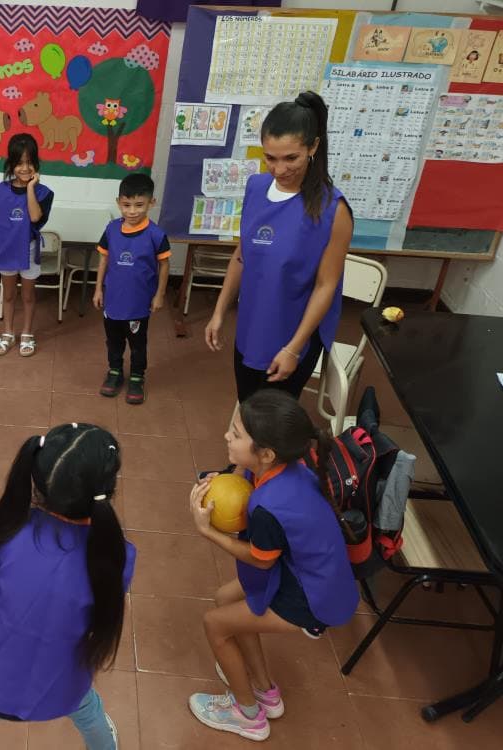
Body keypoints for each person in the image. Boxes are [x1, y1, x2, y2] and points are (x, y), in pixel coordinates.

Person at [0, 423, 134, 750]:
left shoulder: (7, 533)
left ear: (37, 479)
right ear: (107, 491)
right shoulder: (118, 555)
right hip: (66, 682)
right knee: (90, 711)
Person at [187, 390, 358, 741]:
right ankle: (266, 691)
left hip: (309, 597)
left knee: (215, 624)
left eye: (236, 434)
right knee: (224, 598)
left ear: (265, 453)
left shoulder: (266, 508)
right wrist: (223, 478)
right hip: (314, 575)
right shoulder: (287, 467)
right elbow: (244, 479)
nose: (226, 437)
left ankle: (248, 714)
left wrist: (207, 531)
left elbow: (259, 560)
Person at [205, 91, 353, 403]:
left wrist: (293, 348)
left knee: (274, 420)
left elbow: (327, 286)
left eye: (291, 158)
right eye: (270, 157)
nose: (279, 169)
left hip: (293, 333)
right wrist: (219, 312)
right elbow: (242, 257)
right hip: (252, 325)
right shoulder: (256, 188)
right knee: (248, 404)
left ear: (312, 147)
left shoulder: (332, 210)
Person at [92, 173, 171, 406]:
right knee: (113, 340)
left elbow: (164, 265)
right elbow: (103, 261)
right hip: (113, 300)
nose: (132, 211)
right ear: (119, 202)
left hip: (139, 303)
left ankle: (137, 376)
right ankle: (114, 371)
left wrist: (160, 294)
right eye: (126, 205)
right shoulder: (111, 229)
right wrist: (98, 289)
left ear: (151, 203)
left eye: (139, 205)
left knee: (137, 343)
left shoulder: (157, 235)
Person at [0, 133, 54, 357]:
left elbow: (34, 217)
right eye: (19, 163)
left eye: (29, 162)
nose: (24, 168)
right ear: (11, 164)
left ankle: (27, 333)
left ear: (36, 163)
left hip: (29, 250)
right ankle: (7, 333)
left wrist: (31, 188)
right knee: (8, 295)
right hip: (5, 249)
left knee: (27, 296)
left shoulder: (44, 193)